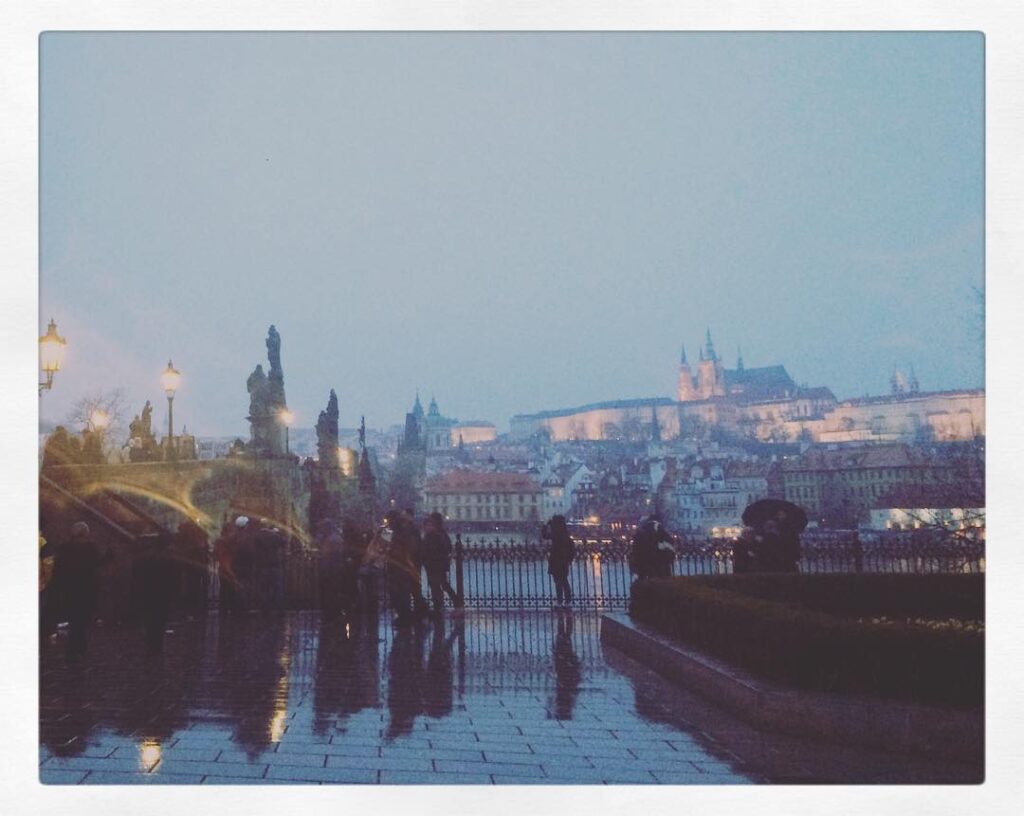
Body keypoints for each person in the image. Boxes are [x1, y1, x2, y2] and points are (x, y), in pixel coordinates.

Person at [43, 521, 113, 663]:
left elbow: (58, 570)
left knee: (74, 617)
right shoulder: (90, 548)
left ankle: (76, 646)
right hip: (86, 589)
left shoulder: (64, 548)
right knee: (82, 618)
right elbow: (99, 563)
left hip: (70, 589)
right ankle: (77, 646)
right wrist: (110, 554)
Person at [133, 533, 178, 656]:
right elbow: (174, 578)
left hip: (148, 592)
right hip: (163, 593)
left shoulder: (145, 557)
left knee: (150, 619)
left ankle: (150, 643)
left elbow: (138, 574)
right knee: (160, 620)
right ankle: (157, 644)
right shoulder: (169, 558)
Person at [420, 512, 460, 615]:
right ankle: (451, 603)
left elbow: (429, 549)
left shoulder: (435, 535)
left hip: (434, 564)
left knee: (436, 585)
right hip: (438, 564)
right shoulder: (441, 533)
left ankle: (439, 606)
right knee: (442, 584)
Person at [629, 514, 675, 579]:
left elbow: (635, 553)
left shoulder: (639, 534)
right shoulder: (659, 530)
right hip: (661, 568)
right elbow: (670, 547)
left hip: (644, 570)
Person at [543, 515, 575, 607]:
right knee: (564, 581)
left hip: (556, 560)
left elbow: (545, 536)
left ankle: (560, 601)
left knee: (558, 582)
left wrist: (546, 525)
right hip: (563, 560)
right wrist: (569, 559)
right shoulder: (564, 533)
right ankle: (567, 601)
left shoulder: (556, 533)